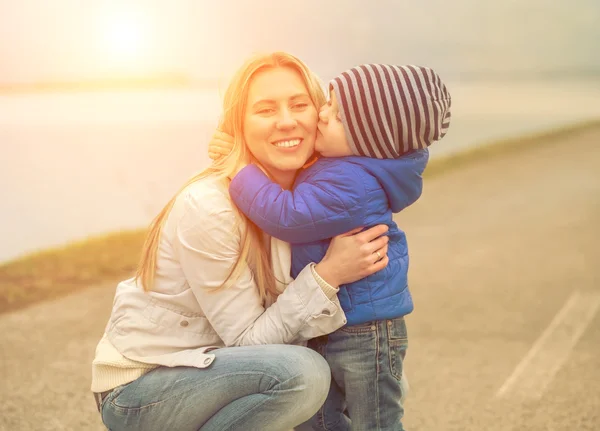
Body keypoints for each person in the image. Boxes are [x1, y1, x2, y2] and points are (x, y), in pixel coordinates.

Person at [90, 52, 393, 431]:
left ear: (322, 113)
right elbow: (249, 345)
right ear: (239, 124)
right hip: (145, 389)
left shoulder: (308, 197)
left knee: (371, 374)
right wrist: (328, 275)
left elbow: (400, 154)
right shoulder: (209, 206)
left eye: (300, 105)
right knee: (303, 374)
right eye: (265, 110)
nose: (286, 121)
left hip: (226, 373)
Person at [209, 63, 451, 430]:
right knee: (318, 420)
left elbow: (288, 216)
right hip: (335, 321)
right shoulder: (343, 165)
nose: (322, 115)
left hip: (364, 332)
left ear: (368, 143)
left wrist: (242, 171)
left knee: (376, 421)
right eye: (329, 104)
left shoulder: (353, 183)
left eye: (336, 116)